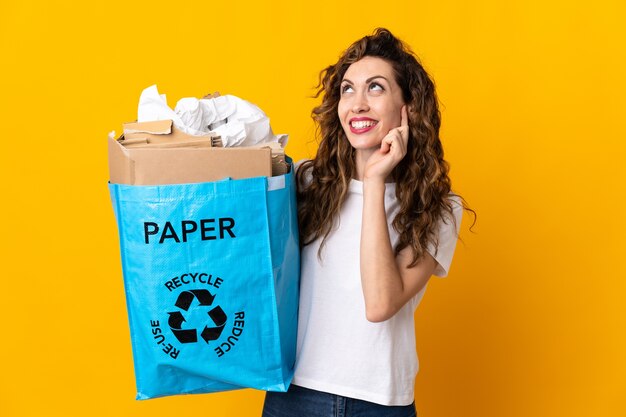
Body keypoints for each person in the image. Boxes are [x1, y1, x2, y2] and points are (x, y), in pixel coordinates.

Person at [262, 28, 475, 417]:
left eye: (375, 88)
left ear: (406, 107)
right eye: (347, 89)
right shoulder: (307, 183)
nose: (357, 104)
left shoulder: (438, 209)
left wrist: (374, 182)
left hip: (379, 403)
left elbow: (380, 304)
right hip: (295, 394)